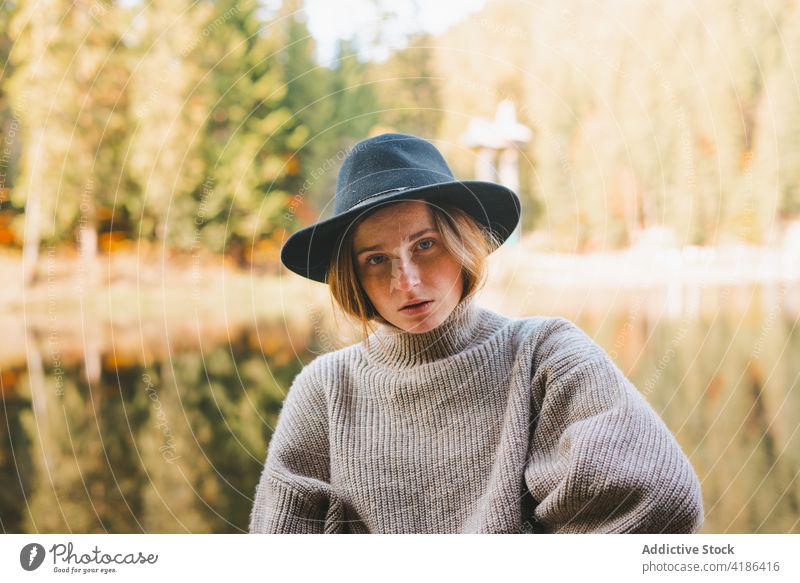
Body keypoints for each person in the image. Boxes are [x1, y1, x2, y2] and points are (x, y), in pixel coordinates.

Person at [249, 133, 704, 534]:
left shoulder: (545, 355)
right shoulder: (325, 391)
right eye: (376, 258)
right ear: (354, 276)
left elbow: (661, 498)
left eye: (424, 245)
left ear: (462, 241)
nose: (405, 280)